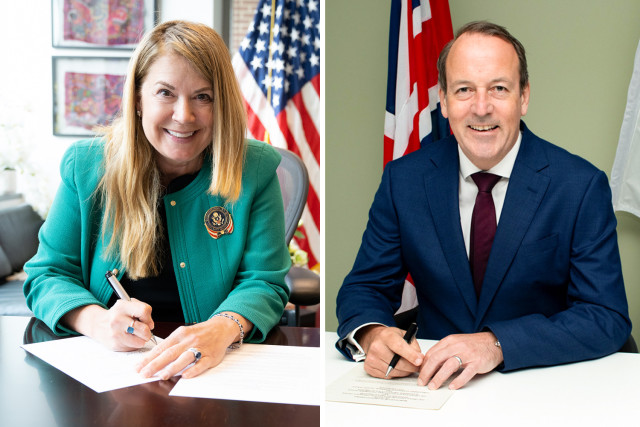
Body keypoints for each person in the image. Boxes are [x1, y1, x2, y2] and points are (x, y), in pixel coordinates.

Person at [335, 21, 631, 391]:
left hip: (542, 384)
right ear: (443, 100)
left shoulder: (580, 185)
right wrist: (373, 334)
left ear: (523, 97)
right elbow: (364, 287)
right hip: (431, 386)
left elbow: (605, 316)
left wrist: (496, 344)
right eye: (464, 90)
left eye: (499, 89)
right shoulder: (404, 181)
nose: (481, 108)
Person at [23, 20, 290, 380]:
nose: (184, 115)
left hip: (215, 369)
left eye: (203, 96)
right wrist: (97, 321)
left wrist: (222, 328)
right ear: (137, 98)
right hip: (107, 367)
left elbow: (264, 281)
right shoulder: (86, 166)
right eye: (166, 92)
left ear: (221, 104)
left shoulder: (254, 168)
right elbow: (47, 273)